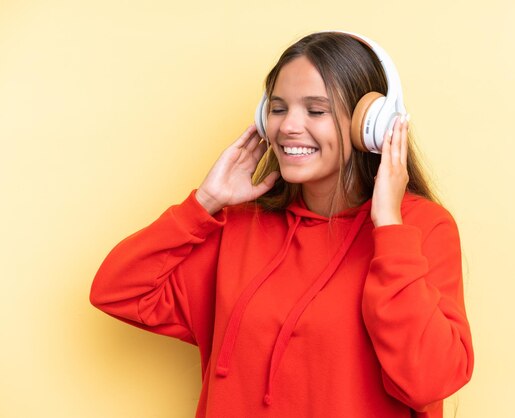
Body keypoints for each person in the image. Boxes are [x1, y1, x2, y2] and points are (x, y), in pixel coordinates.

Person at [90, 31, 474, 418]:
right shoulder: (241, 226)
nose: (289, 126)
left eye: (315, 110)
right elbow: (118, 291)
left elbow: (429, 381)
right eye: (277, 108)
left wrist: (389, 228)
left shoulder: (419, 229)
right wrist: (205, 202)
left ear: (370, 125)